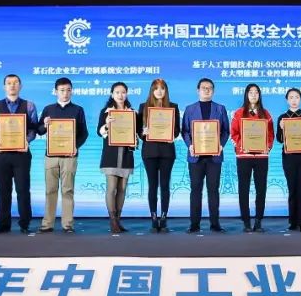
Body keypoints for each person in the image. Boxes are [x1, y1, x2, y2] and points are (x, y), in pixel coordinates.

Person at [0, 74, 40, 234]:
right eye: (9, 83)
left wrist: (27, 141)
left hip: (22, 154)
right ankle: (3, 224)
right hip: (1, 154)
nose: (12, 85)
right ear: (4, 87)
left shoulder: (29, 105)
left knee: (23, 190)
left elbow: (33, 128)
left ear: (20, 86)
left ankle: (24, 224)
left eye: (15, 83)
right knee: (3, 190)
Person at [38, 77, 89, 233]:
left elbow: (84, 133)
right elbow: (39, 130)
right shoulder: (48, 109)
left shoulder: (78, 110)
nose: (65, 93)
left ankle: (68, 224)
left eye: (68, 90)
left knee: (67, 190)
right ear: (55, 92)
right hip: (51, 156)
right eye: (62, 90)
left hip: (69, 156)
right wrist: (44, 124)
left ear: (72, 91)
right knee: (50, 190)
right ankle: (47, 224)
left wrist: (75, 146)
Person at [180, 77, 230, 233]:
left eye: (209, 88)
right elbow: (185, 131)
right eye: (203, 88)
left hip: (214, 156)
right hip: (196, 157)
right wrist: (190, 145)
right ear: (198, 90)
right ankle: (194, 224)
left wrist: (221, 144)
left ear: (213, 91)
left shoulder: (220, 109)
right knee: (195, 190)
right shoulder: (190, 109)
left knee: (213, 190)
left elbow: (226, 131)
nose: (206, 90)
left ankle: (215, 224)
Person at [230, 83, 275, 232]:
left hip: (261, 157)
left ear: (259, 95)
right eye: (251, 92)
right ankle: (246, 222)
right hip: (244, 156)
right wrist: (242, 145)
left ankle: (258, 221)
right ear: (246, 95)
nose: (254, 95)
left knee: (261, 189)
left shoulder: (266, 114)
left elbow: (271, 134)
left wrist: (267, 146)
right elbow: (234, 133)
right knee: (243, 188)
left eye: (256, 92)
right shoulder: (238, 113)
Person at [137, 78, 180, 233]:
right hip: (149, 152)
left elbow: (177, 130)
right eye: (156, 88)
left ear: (166, 90)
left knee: (165, 185)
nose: (159, 91)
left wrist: (171, 134)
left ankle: (164, 217)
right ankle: (154, 217)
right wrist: (144, 132)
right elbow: (139, 131)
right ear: (152, 90)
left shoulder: (173, 107)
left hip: (167, 152)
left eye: (162, 88)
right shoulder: (144, 107)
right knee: (152, 185)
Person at [97, 82, 138, 234]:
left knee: (122, 189)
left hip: (126, 154)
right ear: (112, 94)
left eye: (123, 92)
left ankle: (118, 220)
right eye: (117, 92)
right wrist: (107, 125)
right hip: (111, 155)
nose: (120, 95)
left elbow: (137, 133)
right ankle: (113, 221)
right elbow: (99, 132)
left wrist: (137, 138)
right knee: (112, 188)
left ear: (127, 94)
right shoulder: (106, 112)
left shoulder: (133, 113)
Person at [276, 87, 301, 232]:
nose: (294, 100)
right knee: (292, 188)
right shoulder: (282, 117)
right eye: (291, 97)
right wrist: (281, 128)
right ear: (287, 100)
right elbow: (279, 140)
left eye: (297, 97)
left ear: (300, 99)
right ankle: (293, 221)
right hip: (289, 157)